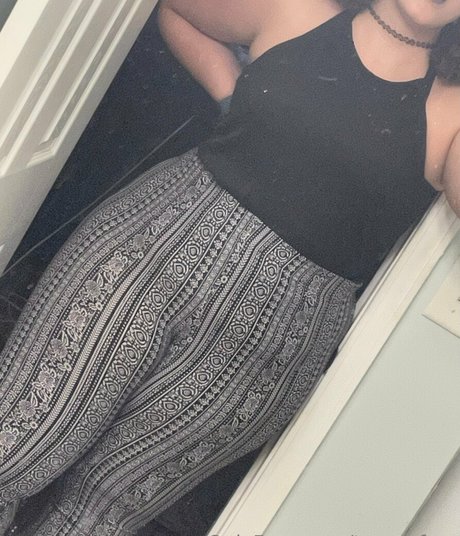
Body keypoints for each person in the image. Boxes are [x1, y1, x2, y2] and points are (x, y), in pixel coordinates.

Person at [1, 0, 459, 534]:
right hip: (153, 247)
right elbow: (176, 10)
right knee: (16, 441)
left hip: (277, 339)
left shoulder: (453, 113)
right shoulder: (294, 13)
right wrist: (230, 91)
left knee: (97, 515)